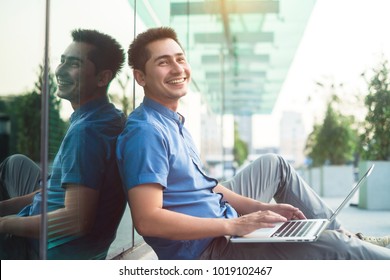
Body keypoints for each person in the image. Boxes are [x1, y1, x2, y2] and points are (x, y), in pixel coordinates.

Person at [116, 27, 390, 260]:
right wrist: (235, 224)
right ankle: (351, 246)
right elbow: (147, 219)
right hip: (207, 250)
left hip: (220, 218)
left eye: (180, 58)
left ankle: (351, 237)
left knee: (274, 165)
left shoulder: (173, 121)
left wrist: (264, 208)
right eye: (163, 62)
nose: (177, 68)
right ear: (140, 77)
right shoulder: (147, 132)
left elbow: (208, 187)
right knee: (335, 248)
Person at [0, 29, 126, 260]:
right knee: (15, 164)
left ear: (102, 78)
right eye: (62, 61)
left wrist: (6, 224)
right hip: (80, 243)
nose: (60, 70)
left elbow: (76, 221)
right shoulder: (109, 117)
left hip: (44, 250)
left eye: (74, 64)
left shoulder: (86, 132)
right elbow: (59, 194)